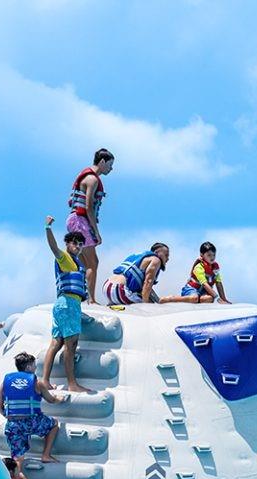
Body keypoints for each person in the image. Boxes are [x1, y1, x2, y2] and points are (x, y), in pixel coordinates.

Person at [41, 216, 91, 393]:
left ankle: (45, 380)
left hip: (63, 304)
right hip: (69, 304)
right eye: (75, 243)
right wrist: (48, 227)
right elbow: (53, 247)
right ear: (68, 244)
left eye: (80, 245)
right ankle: (72, 384)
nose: (78, 247)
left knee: (56, 343)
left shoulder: (77, 263)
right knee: (71, 344)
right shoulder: (65, 258)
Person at [0, 352, 67, 471]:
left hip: (13, 424)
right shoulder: (37, 383)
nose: (35, 367)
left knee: (18, 458)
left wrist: (9, 417)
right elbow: (51, 400)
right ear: (28, 367)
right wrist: (60, 398)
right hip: (32, 422)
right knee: (54, 424)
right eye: (34, 365)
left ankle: (16, 477)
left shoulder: (5, 383)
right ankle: (46, 455)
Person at [66, 148, 115, 304]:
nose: (111, 169)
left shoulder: (87, 177)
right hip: (80, 221)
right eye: (110, 165)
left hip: (73, 220)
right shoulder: (92, 179)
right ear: (102, 162)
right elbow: (88, 208)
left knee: (83, 263)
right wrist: (96, 232)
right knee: (93, 262)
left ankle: (82, 297)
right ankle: (91, 300)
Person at [165, 242, 230, 304]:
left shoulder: (215, 267)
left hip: (203, 292)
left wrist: (224, 299)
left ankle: (195, 300)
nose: (212, 257)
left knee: (210, 299)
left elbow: (218, 283)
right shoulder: (199, 267)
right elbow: (204, 284)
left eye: (214, 255)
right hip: (191, 289)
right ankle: (171, 299)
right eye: (209, 255)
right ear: (201, 255)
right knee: (194, 298)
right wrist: (217, 298)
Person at [104, 244, 170, 305]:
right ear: (156, 252)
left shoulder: (138, 256)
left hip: (106, 287)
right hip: (119, 291)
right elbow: (148, 282)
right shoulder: (156, 260)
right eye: (166, 255)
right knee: (152, 305)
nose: (167, 259)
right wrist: (147, 305)